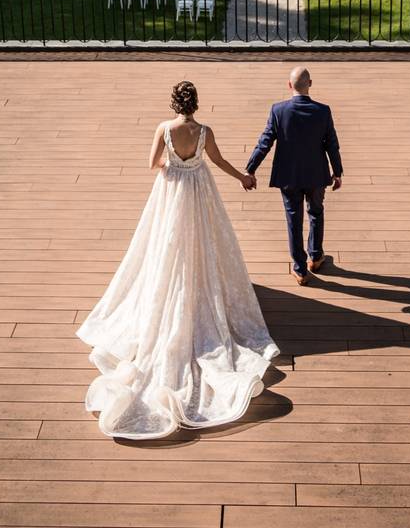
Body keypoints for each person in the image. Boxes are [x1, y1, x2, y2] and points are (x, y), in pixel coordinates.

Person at [75, 81, 280, 440]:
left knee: (165, 246)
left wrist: (173, 163)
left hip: (172, 192)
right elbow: (218, 161)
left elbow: (152, 163)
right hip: (200, 191)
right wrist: (243, 178)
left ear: (173, 103)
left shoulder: (164, 129)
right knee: (204, 243)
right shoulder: (204, 131)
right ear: (196, 104)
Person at [245, 66, 343, 286]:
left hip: (288, 175)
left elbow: (265, 142)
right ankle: (315, 257)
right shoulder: (323, 111)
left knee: (293, 219)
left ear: (289, 86)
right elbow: (332, 146)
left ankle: (299, 269)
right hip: (317, 174)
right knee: (316, 212)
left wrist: (250, 168)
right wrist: (337, 172)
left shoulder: (278, 111)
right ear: (310, 83)